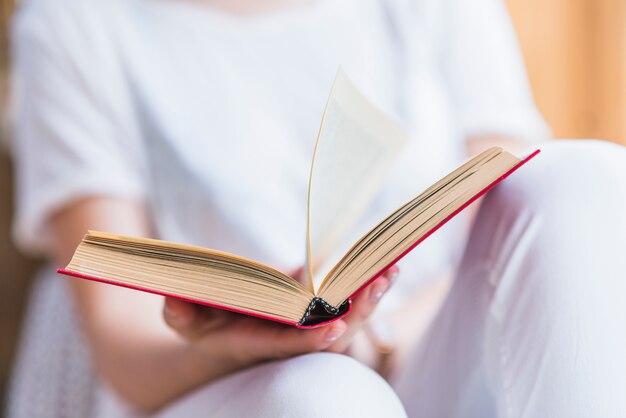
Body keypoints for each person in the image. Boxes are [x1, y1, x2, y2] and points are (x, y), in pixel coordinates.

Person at [7, 0, 626, 416]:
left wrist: (374, 338)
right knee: (330, 398)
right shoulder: (76, 23)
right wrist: (248, 345)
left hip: (429, 346)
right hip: (225, 384)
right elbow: (122, 346)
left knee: (584, 175)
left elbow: (504, 213)